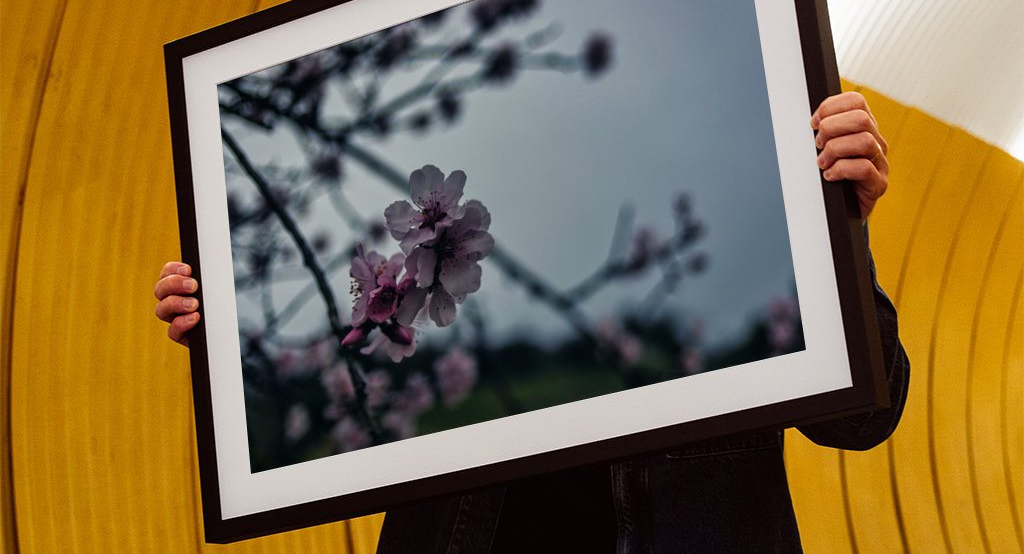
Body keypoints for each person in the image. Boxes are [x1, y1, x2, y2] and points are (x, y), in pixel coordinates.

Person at [155, 92, 909, 553]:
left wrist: (838, 228)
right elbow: (346, 377)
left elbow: (864, 417)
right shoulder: (466, 303)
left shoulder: (740, 263)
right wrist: (236, 331)